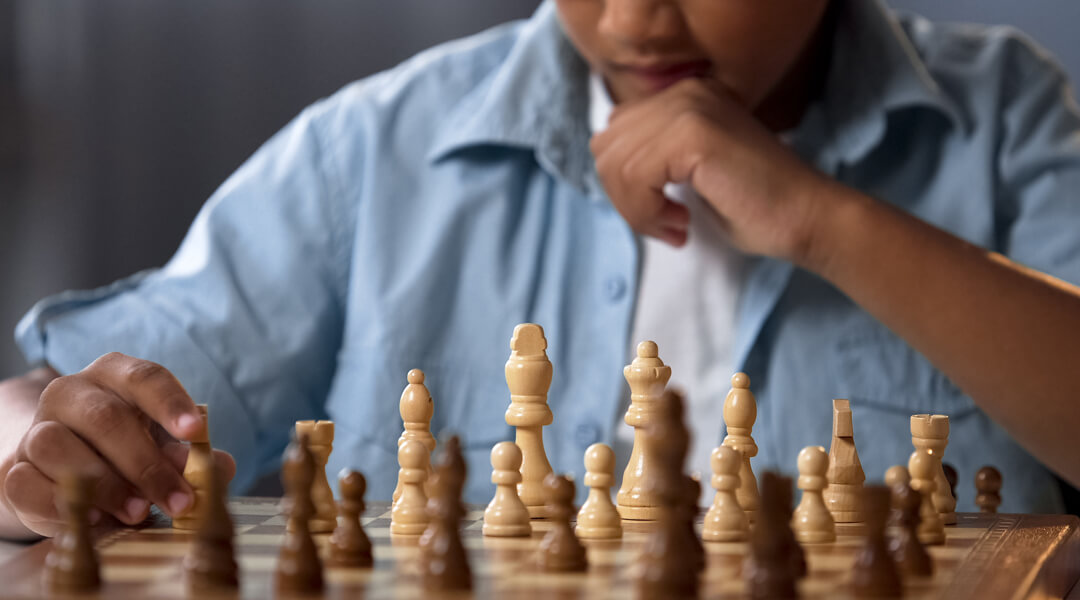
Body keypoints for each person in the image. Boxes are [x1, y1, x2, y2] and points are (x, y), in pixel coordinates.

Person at [3, 0, 1080, 540]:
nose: (632, 20)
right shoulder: (371, 155)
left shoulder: (1003, 120)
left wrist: (823, 222)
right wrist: (45, 444)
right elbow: (43, 406)